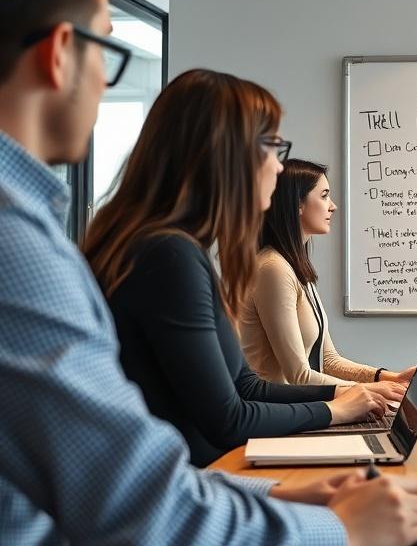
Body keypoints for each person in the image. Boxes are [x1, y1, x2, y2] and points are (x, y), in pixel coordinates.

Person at [0, 0, 417, 546]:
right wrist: (336, 529)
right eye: (107, 48)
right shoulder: (27, 248)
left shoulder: (70, 236)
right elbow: (153, 516)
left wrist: (264, 498)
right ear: (61, 53)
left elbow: (133, 476)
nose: (105, 81)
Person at [82, 71, 396, 467]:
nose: (279, 168)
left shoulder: (178, 247)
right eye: (270, 148)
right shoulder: (168, 256)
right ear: (223, 156)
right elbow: (228, 419)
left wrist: (343, 396)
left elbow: (244, 385)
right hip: (198, 480)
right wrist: (337, 411)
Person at [239, 158, 417, 390]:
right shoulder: (273, 269)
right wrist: (375, 392)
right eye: (323, 196)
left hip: (293, 407)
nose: (333, 206)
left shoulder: (295, 267)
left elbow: (328, 360)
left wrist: (391, 379)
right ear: (297, 205)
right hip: (271, 413)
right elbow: (299, 376)